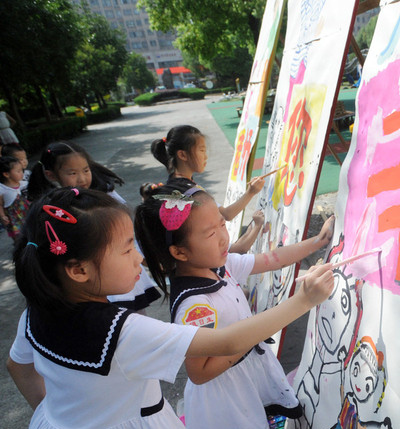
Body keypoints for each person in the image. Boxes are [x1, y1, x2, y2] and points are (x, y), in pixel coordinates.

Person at [7, 187, 335, 429]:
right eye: (128, 248)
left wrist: (61, 415)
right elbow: (223, 345)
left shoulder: (35, 312)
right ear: (79, 270)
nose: (140, 259)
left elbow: (17, 367)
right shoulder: (122, 331)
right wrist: (304, 300)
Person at [135, 181, 334, 429]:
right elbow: (198, 372)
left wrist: (316, 243)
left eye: (222, 225)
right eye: (211, 232)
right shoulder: (194, 304)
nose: (224, 237)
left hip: (237, 383)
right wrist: (247, 338)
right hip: (218, 398)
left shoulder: (218, 265)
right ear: (180, 253)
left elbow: (269, 259)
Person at [28, 141, 158, 310]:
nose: (82, 178)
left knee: (133, 320)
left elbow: (128, 233)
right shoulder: (52, 212)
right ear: (51, 175)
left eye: (86, 170)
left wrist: (142, 256)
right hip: (94, 282)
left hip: (120, 274)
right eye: (72, 173)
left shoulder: (105, 196)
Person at [150, 125, 266, 229]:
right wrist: (251, 192)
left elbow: (226, 214)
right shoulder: (188, 191)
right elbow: (226, 214)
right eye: (201, 150)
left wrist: (251, 192)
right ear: (182, 155)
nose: (205, 157)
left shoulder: (177, 183)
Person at [0, 155, 30, 239]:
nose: (22, 173)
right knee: (20, 238)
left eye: (22, 170)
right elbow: (0, 204)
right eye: (18, 171)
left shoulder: (24, 184)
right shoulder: (2, 189)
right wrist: (2, 216)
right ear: (6, 174)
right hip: (15, 219)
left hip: (28, 213)